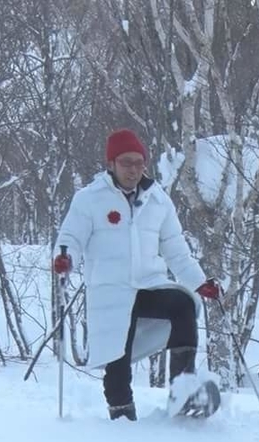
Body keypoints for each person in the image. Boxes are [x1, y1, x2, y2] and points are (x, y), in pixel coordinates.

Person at [52, 128, 222, 421]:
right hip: (111, 290)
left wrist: (200, 282)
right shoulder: (89, 199)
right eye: (126, 162)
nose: (133, 169)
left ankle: (182, 391)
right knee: (118, 353)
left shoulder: (158, 200)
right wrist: (65, 260)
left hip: (149, 285)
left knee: (182, 304)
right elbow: (71, 239)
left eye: (138, 163)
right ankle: (121, 415)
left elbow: (176, 250)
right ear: (111, 164)